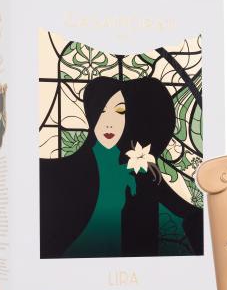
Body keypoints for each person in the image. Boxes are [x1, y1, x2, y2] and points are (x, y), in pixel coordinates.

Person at [40, 76, 203, 258]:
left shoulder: (140, 166)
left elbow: (179, 212)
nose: (109, 123)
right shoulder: (67, 170)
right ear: (92, 113)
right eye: (102, 111)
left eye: (120, 111)